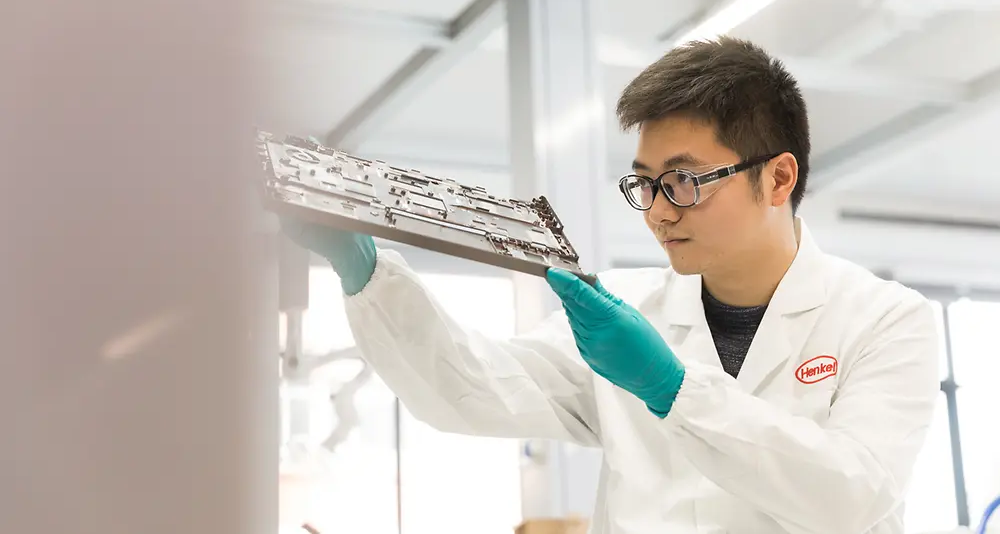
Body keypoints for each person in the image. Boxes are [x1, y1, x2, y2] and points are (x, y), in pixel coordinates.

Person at [282, 37, 939, 534]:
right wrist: (366, 274)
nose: (656, 210)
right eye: (643, 183)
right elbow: (472, 389)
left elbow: (854, 496)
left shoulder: (885, 319)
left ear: (778, 178)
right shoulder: (633, 316)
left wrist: (671, 388)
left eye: (683, 181)